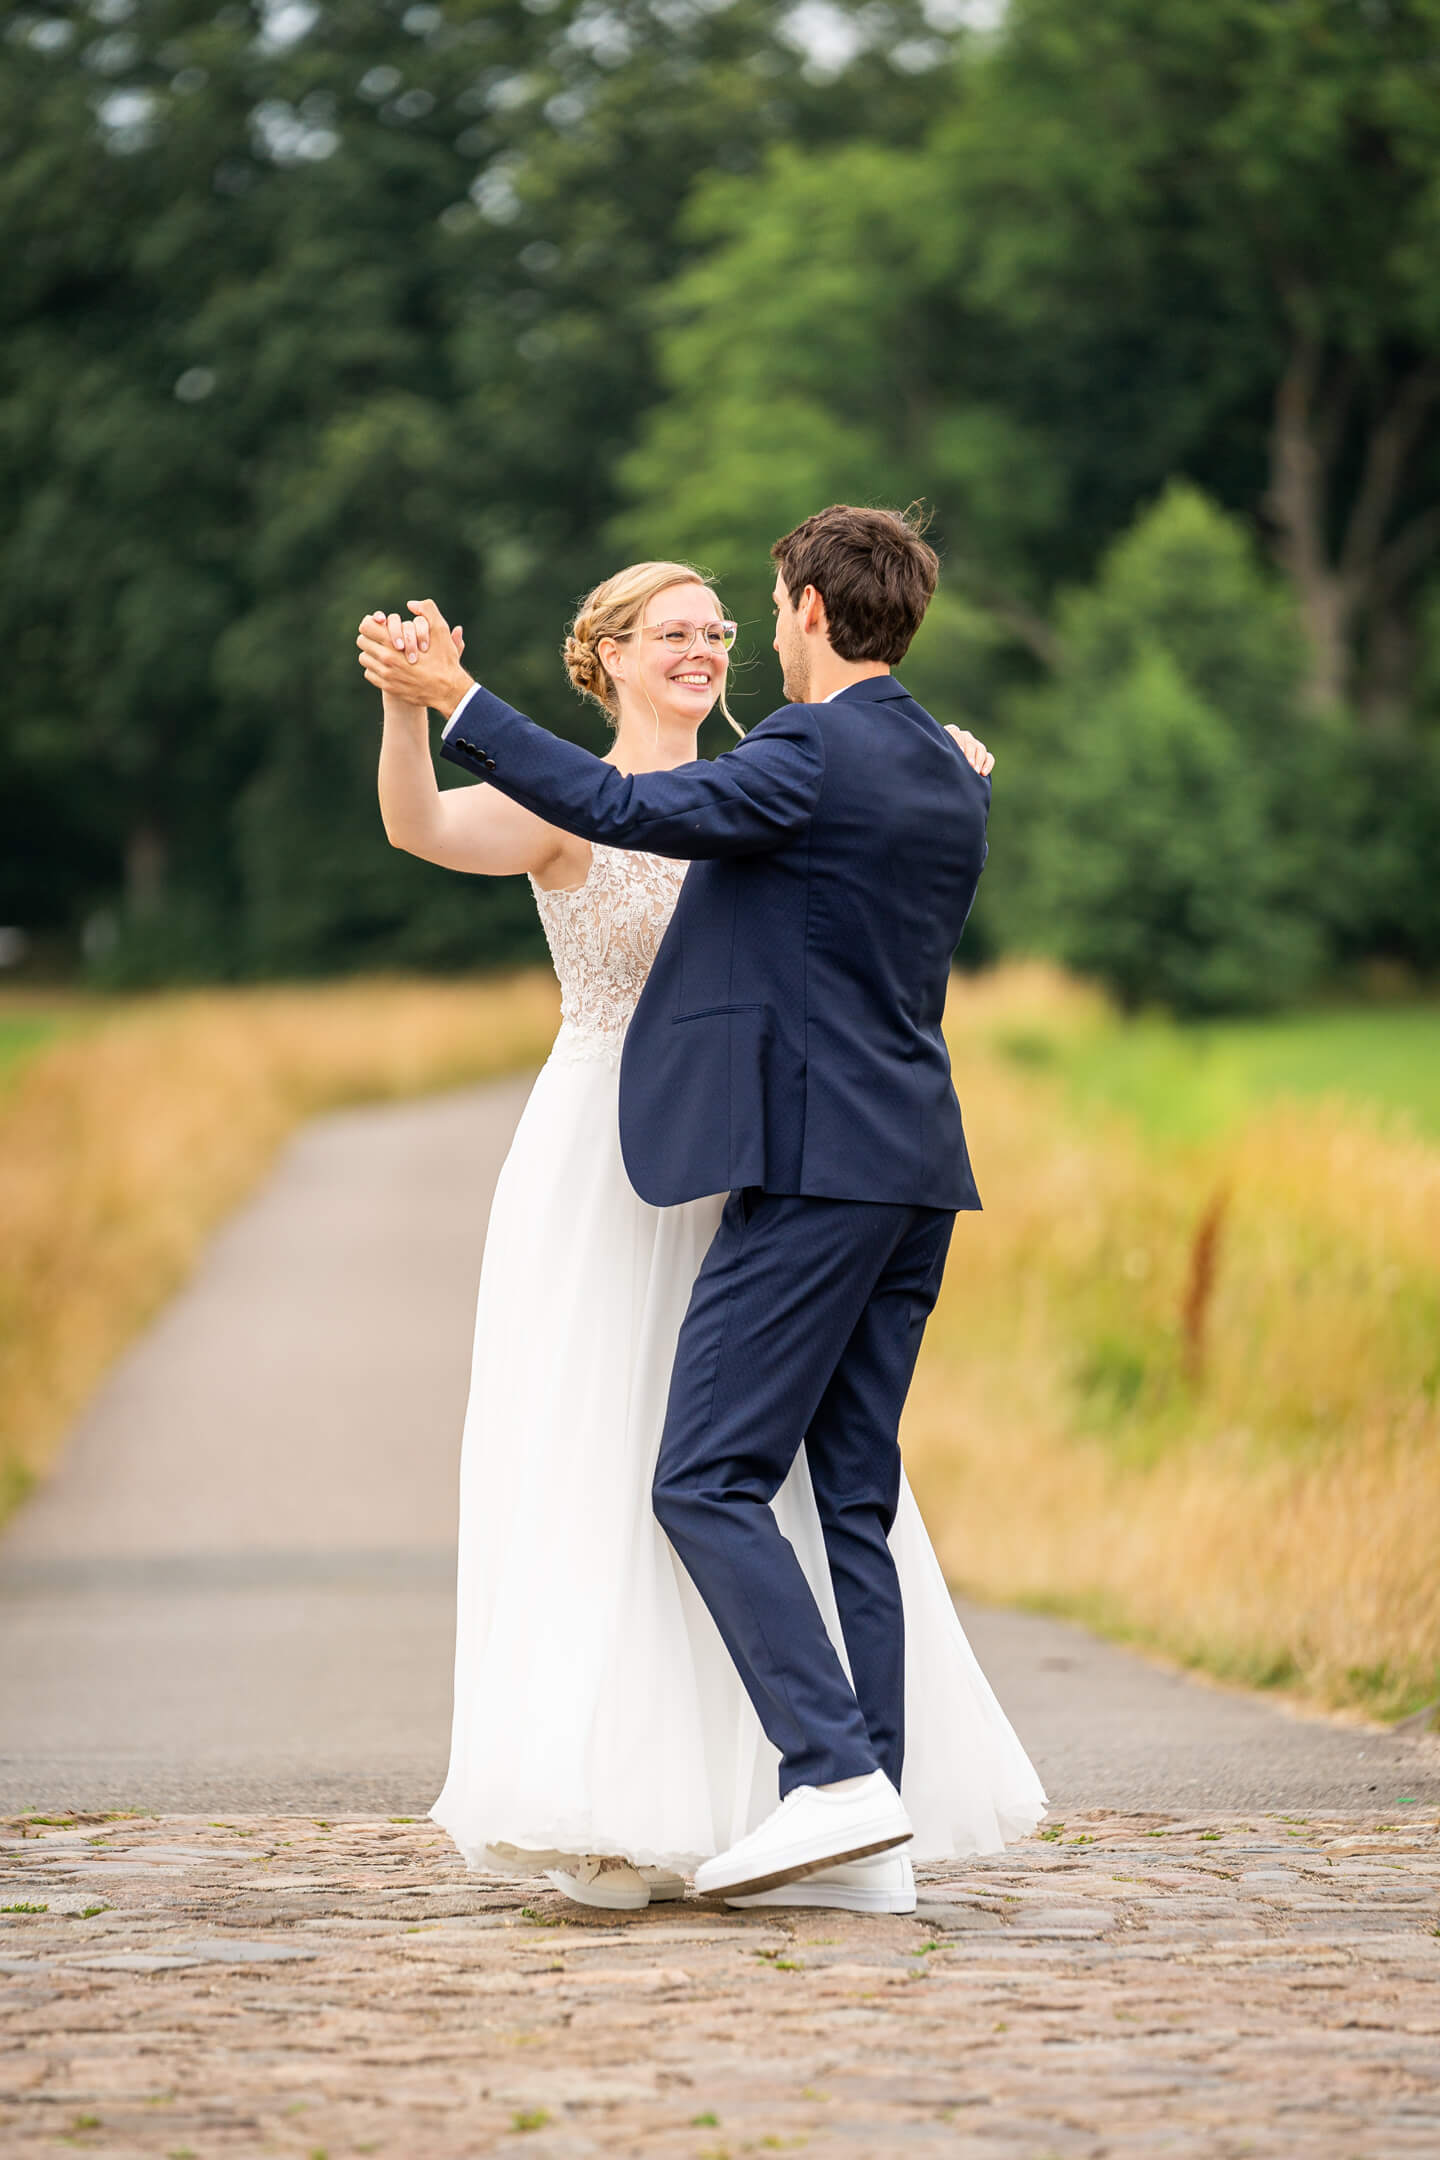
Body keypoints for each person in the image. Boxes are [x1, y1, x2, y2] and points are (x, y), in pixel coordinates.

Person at [360, 523, 1044, 1914]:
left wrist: (459, 704)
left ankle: (831, 1777)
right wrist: (417, 712)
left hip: (792, 1163)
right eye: (674, 626)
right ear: (608, 656)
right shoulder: (932, 760)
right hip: (890, 1160)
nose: (717, 641)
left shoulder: (791, 764)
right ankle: (873, 1834)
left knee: (702, 1478)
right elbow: (469, 824)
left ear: (797, 611)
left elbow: (640, 817)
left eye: (733, 619)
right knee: (843, 1485)